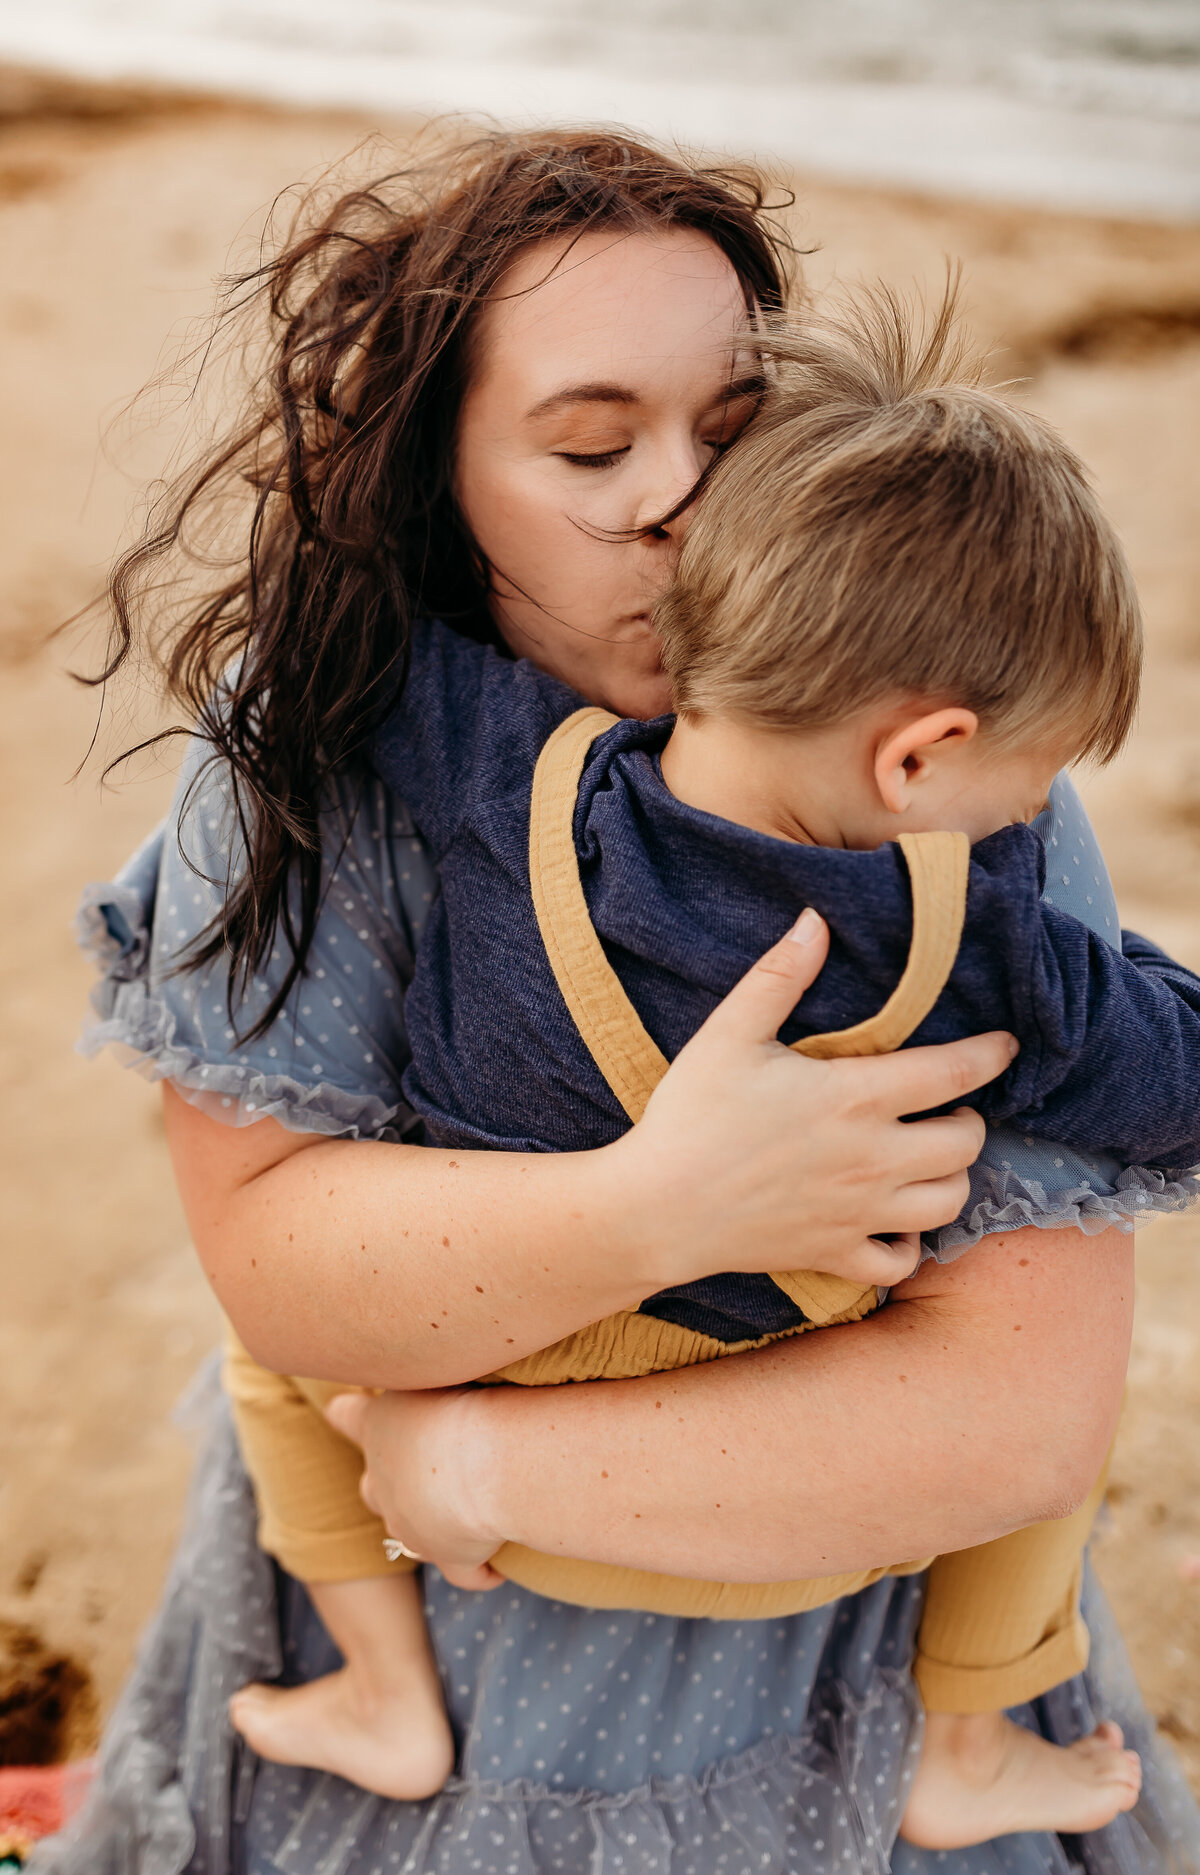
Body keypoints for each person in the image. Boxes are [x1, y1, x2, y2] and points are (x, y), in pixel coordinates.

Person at [37, 132, 1200, 1875]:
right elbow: (277, 1264)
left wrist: (475, 1469)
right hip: (433, 1658)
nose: (680, 501)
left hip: (832, 1668)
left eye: (734, 431)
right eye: (591, 446)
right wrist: (659, 1205)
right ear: (440, 478)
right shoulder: (328, 754)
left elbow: (1022, 1412)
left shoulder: (947, 768)